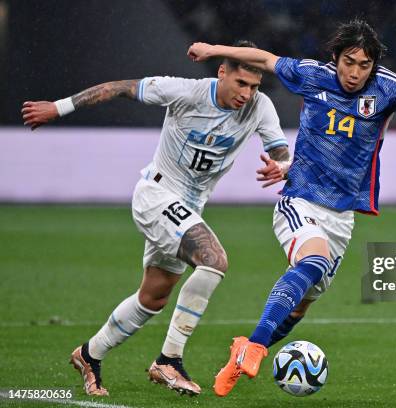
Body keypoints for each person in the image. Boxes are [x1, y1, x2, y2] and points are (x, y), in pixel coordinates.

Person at [187, 19, 396, 397]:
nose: (355, 72)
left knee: (298, 307)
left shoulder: (386, 87)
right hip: (299, 200)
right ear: (336, 58)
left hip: (341, 216)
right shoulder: (313, 76)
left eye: (364, 65)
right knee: (312, 263)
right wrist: (216, 49)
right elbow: (264, 59)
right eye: (349, 62)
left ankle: (243, 351)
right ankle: (254, 346)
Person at [21, 41, 291, 397]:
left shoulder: (259, 107)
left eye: (254, 86)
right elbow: (120, 88)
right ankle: (169, 360)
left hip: (188, 209)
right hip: (156, 196)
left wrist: (282, 166)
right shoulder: (186, 92)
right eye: (241, 83)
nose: (247, 93)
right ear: (222, 72)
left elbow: (280, 150)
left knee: (154, 296)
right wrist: (59, 107)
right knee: (214, 260)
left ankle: (90, 354)